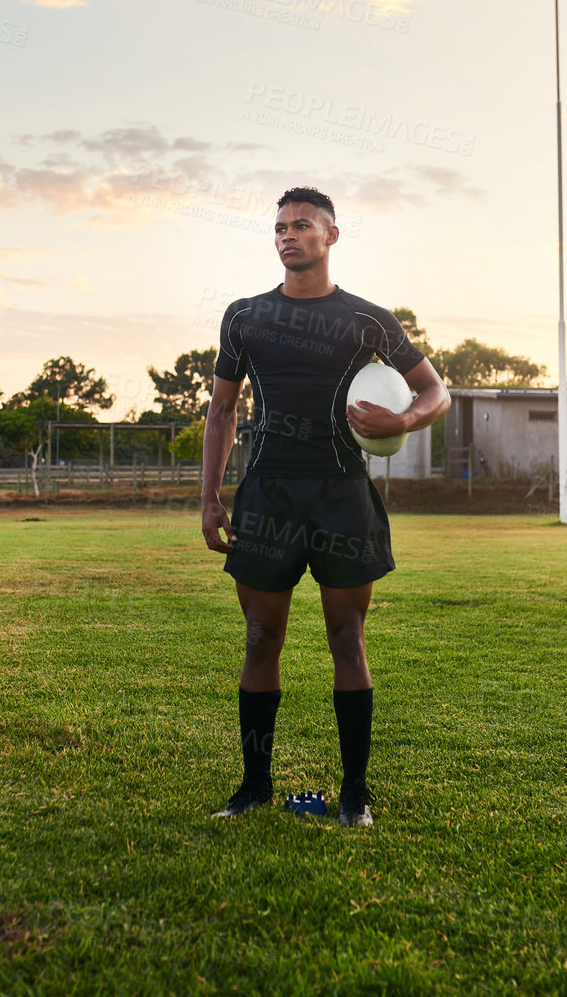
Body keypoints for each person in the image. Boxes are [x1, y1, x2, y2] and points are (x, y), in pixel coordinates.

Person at [201, 187, 450, 827]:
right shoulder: (245, 316)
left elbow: (435, 391)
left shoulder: (367, 320)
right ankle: (254, 785)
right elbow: (223, 409)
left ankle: (355, 793)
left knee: (348, 639)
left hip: (342, 494)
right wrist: (209, 496)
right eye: (280, 227)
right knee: (261, 640)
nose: (289, 235)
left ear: (331, 236)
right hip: (267, 494)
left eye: (303, 225)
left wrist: (405, 418)